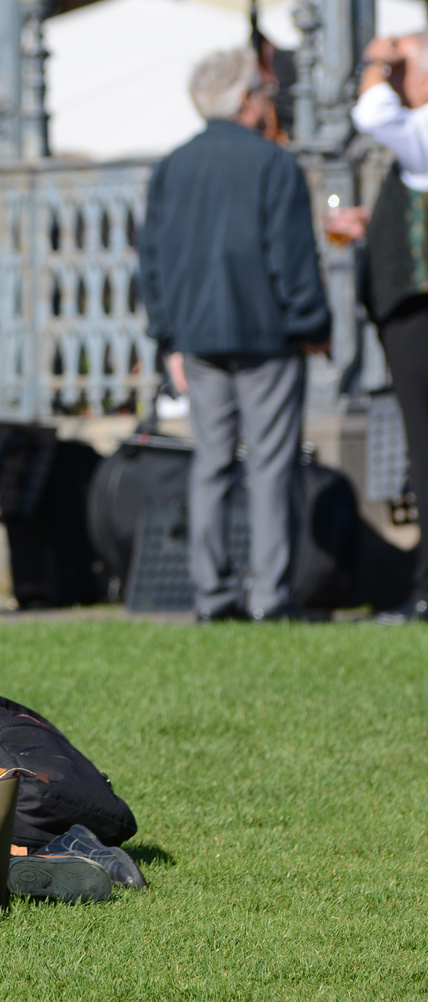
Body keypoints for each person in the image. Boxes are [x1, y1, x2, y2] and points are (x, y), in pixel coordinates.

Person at [139, 49, 331, 623]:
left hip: (198, 337)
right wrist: (313, 325)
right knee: (271, 465)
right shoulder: (273, 164)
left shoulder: (172, 166)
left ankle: (212, 593)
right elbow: (293, 259)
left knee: (212, 464)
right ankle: (271, 596)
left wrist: (167, 337)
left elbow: (152, 261)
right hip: (266, 333)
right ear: (247, 99)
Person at [336, 33, 428, 621]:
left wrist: (374, 56)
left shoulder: (420, 130)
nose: (393, 80)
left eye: (404, 69)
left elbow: (370, 112)